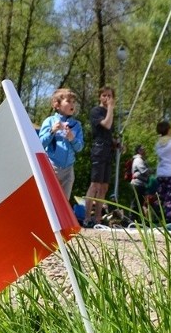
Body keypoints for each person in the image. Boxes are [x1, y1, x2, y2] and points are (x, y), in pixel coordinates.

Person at [39, 88, 84, 200]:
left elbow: (79, 148)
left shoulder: (77, 125)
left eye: (74, 102)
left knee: (63, 201)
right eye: (68, 101)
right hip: (52, 167)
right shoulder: (49, 121)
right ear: (57, 105)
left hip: (68, 170)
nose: (72, 104)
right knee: (49, 200)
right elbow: (40, 144)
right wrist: (52, 131)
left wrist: (72, 139)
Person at [81, 86, 116, 228]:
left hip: (108, 149)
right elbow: (106, 125)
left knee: (104, 186)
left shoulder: (110, 113)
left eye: (110, 96)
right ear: (100, 97)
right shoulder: (96, 111)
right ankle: (87, 217)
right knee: (95, 184)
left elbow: (109, 132)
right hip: (99, 148)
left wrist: (116, 143)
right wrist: (111, 108)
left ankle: (97, 218)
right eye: (104, 95)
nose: (107, 98)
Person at [129, 144, 151, 220]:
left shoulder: (141, 159)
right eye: (143, 149)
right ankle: (132, 220)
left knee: (140, 203)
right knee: (135, 203)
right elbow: (144, 171)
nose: (144, 150)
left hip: (141, 184)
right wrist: (152, 170)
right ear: (139, 150)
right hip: (137, 184)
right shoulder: (138, 160)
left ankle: (137, 220)